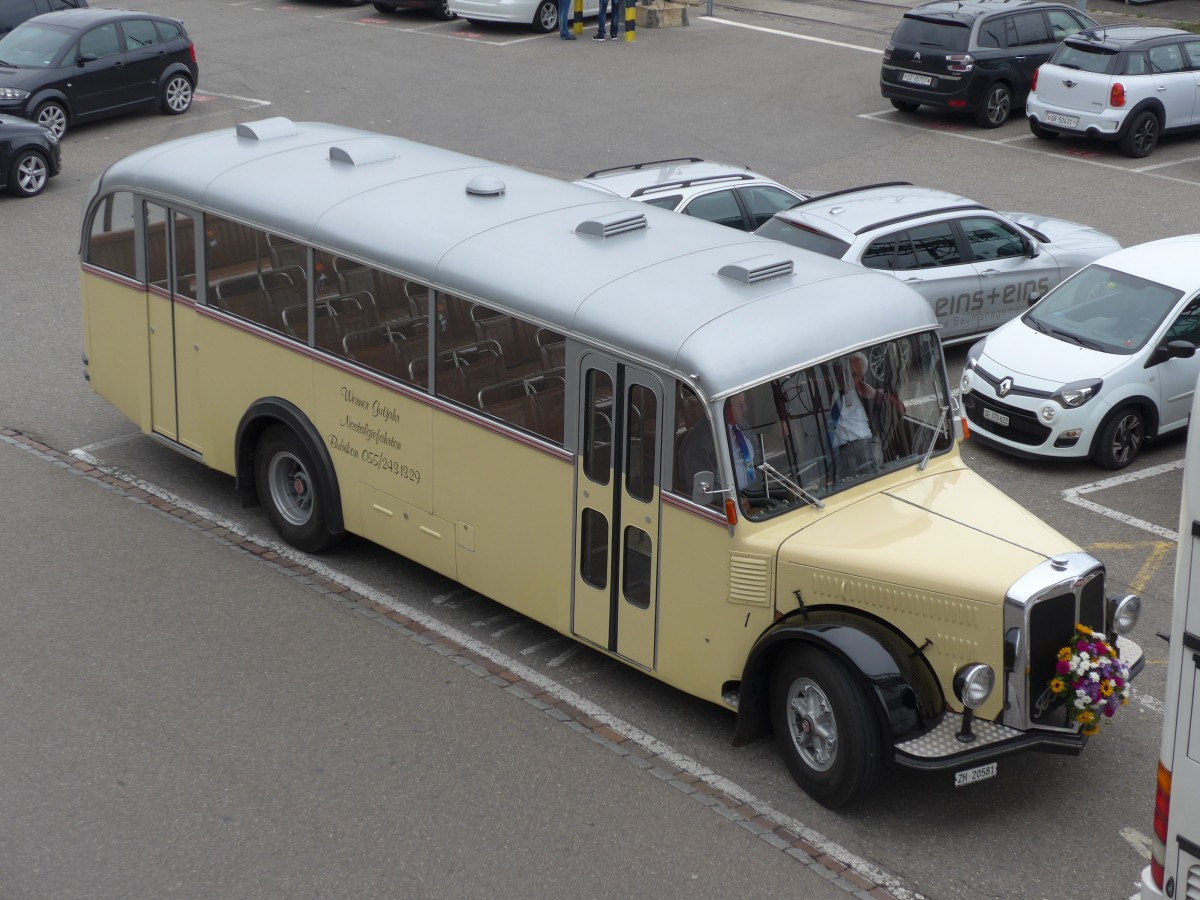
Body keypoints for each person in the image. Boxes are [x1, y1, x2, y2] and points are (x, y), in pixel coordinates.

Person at [677, 392, 760, 515]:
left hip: (756, 495)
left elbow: (757, 455)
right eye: (740, 405)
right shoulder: (700, 441)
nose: (745, 409)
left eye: (745, 404)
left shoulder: (741, 424)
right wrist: (731, 500)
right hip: (728, 507)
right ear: (724, 407)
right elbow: (702, 490)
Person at [827, 353, 903, 481]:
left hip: (867, 444)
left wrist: (875, 395)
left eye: (854, 375)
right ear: (839, 371)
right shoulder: (825, 388)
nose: (847, 379)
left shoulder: (866, 394)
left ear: (861, 378)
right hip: (843, 450)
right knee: (848, 481)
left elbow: (900, 409)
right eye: (845, 372)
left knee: (873, 474)